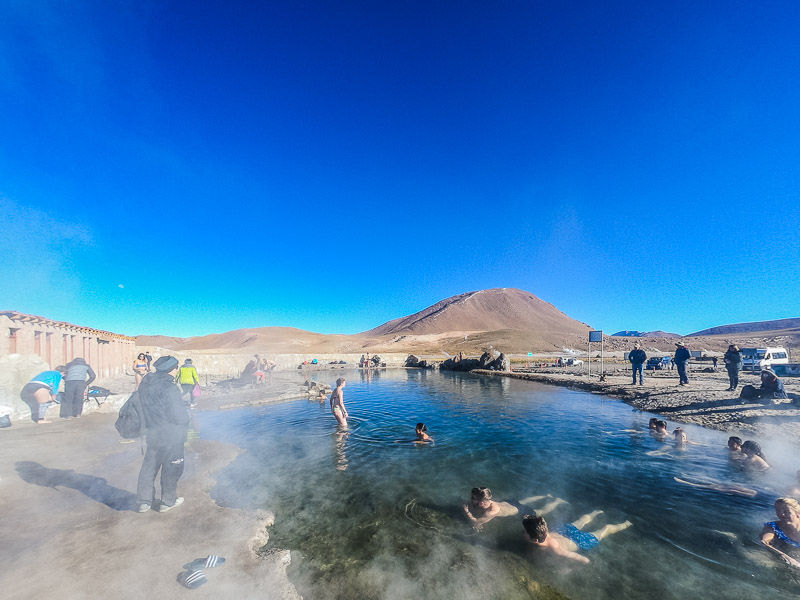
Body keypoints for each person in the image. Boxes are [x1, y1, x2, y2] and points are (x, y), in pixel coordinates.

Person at [136, 356, 190, 513]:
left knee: (149, 466)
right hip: (171, 436)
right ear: (172, 369)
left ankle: (144, 501)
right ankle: (167, 501)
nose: (177, 370)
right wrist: (186, 420)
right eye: (176, 367)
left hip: (153, 433)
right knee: (172, 466)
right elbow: (179, 416)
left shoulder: (146, 385)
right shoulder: (170, 388)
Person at [522, 511, 632, 564]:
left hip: (578, 540)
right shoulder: (543, 531)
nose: (522, 532)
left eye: (524, 532)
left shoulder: (556, 550)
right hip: (562, 531)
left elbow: (580, 558)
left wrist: (578, 565)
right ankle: (596, 512)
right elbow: (541, 524)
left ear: (535, 540)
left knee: (605, 529)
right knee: (581, 520)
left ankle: (626, 524)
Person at [761, 498, 800, 568]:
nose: (781, 514)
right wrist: (782, 555)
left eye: (786, 511)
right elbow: (764, 542)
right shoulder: (773, 527)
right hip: (783, 556)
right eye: (778, 511)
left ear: (797, 513)